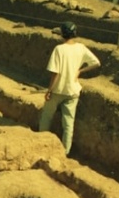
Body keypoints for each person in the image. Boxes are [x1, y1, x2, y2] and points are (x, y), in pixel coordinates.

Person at [38, 21, 100, 155]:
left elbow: (56, 73)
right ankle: (65, 152)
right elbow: (96, 63)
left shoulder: (59, 49)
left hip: (58, 91)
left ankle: (40, 144)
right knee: (68, 124)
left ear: (63, 34)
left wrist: (49, 91)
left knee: (46, 118)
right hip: (73, 92)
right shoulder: (81, 48)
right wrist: (80, 71)